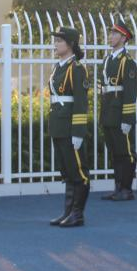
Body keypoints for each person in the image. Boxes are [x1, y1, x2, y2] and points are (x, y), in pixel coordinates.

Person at [48, 26, 92, 227]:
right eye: (56, 40)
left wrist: (78, 132)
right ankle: (68, 211)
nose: (56, 44)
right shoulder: (59, 67)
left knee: (78, 172)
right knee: (66, 171)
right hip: (59, 125)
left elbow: (81, 103)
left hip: (70, 127)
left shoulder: (77, 68)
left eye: (60, 41)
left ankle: (77, 214)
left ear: (71, 44)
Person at [99, 20, 137, 201]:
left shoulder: (127, 62)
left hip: (120, 114)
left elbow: (130, 92)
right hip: (109, 113)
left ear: (123, 38)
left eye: (115, 34)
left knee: (126, 152)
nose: (111, 36)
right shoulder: (108, 60)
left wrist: (127, 119)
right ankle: (117, 187)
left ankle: (126, 189)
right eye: (111, 33)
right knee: (115, 152)